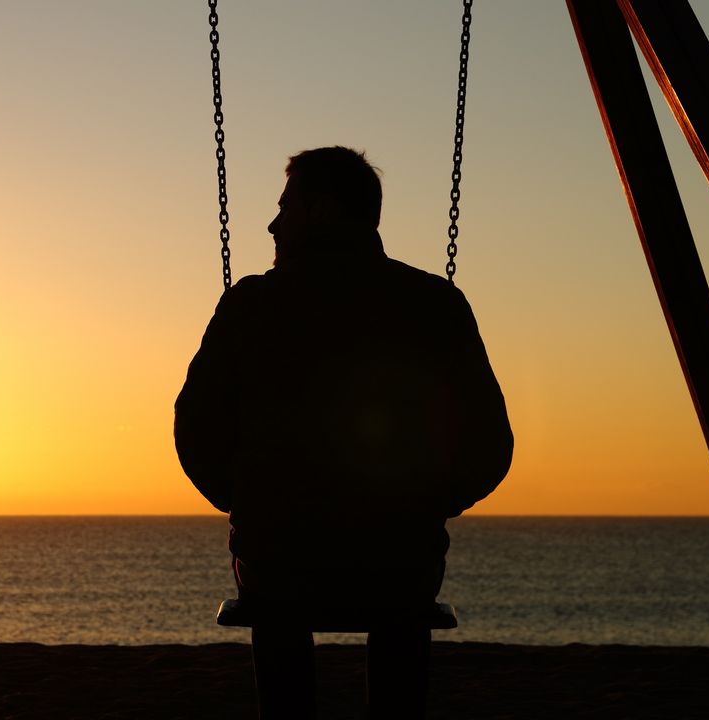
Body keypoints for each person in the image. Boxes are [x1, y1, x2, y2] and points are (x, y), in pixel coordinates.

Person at [174, 146, 513, 719]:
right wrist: (431, 502)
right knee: (402, 589)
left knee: (277, 585)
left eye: (286, 207)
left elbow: (195, 430)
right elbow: (490, 445)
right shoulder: (435, 304)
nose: (273, 223)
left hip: (279, 558)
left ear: (324, 210)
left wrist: (246, 503)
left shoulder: (252, 305)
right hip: (400, 558)